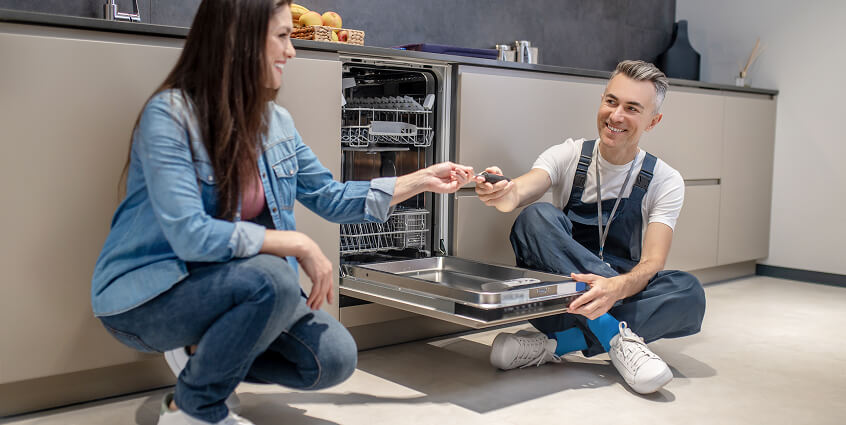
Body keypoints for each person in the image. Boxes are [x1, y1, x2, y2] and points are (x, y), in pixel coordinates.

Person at [90, 1, 475, 424]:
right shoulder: (170, 116)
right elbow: (190, 235)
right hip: (153, 296)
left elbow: (331, 197)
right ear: (239, 41)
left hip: (240, 286)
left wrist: (421, 179)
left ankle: (203, 359)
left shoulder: (276, 123)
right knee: (273, 277)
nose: (291, 51)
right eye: (282, 36)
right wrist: (296, 243)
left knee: (333, 357)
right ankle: (193, 410)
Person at [475, 60, 706, 395]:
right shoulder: (568, 155)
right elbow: (519, 193)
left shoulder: (665, 180)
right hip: (558, 302)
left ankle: (555, 345)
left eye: (632, 108)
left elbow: (653, 262)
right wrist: (502, 192)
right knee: (535, 217)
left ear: (653, 121)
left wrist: (615, 288)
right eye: (611, 101)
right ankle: (616, 335)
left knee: (690, 292)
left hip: (617, 294)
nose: (616, 116)